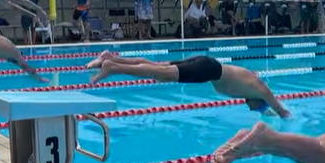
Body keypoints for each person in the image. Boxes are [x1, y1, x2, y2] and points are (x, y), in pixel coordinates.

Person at [86, 52, 291, 117]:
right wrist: (287, 116)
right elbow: (278, 106)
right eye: (256, 108)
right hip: (208, 69)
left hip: (207, 65)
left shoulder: (249, 89)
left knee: (157, 68)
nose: (250, 108)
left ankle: (109, 58)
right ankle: (112, 67)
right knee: (159, 72)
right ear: (259, 101)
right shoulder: (259, 89)